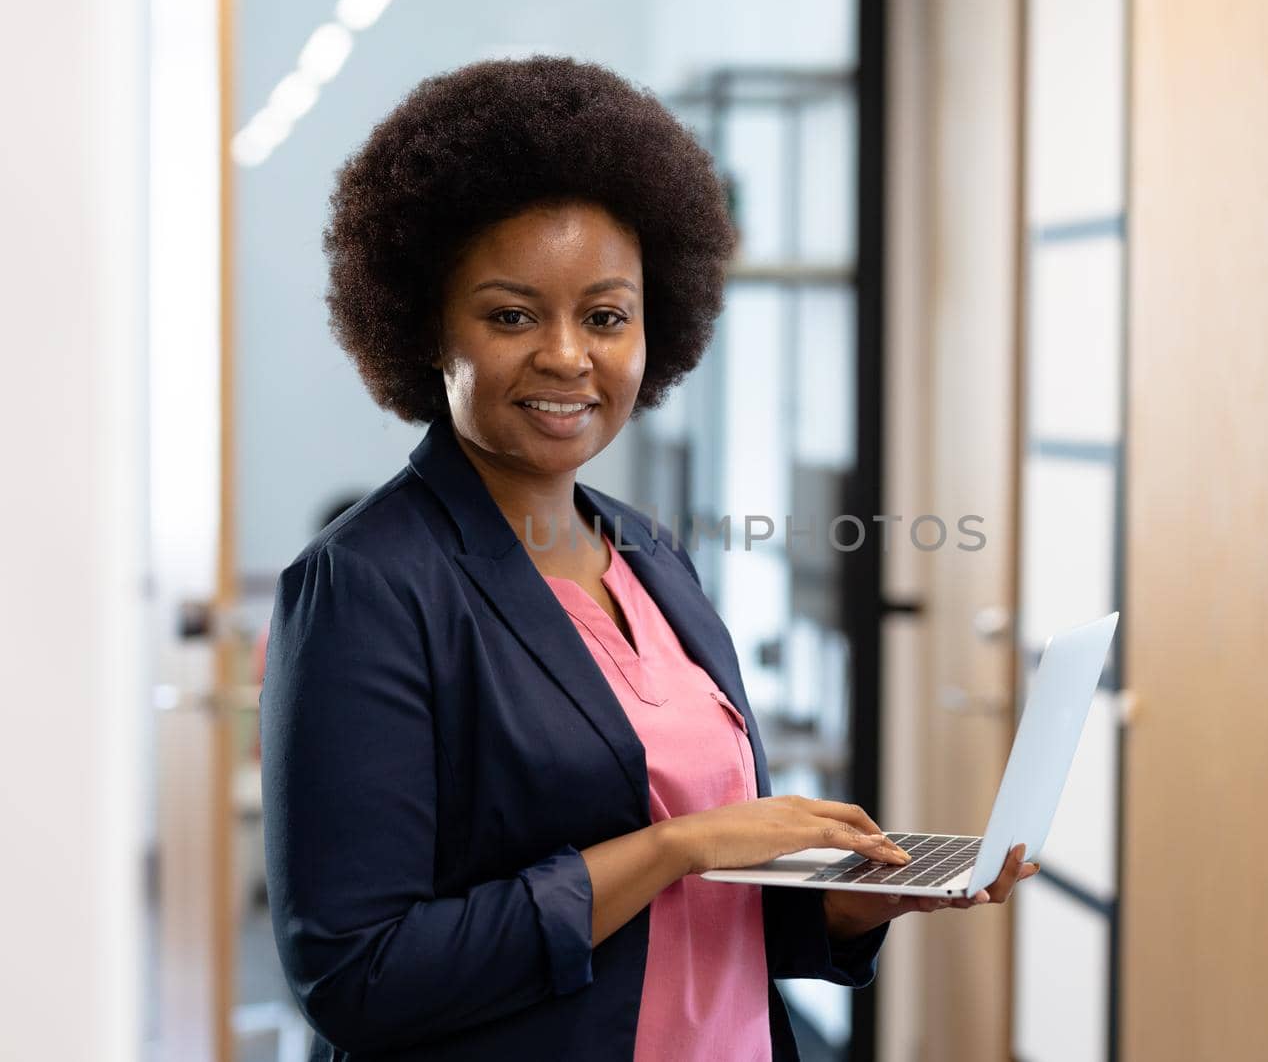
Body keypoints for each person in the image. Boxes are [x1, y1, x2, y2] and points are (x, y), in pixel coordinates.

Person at [260, 55, 1037, 1062]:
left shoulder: (651, 554)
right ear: (423, 328)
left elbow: (705, 919)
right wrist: (676, 845)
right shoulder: (365, 585)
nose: (568, 355)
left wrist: (850, 903)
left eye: (605, 314)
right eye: (510, 314)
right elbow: (357, 975)